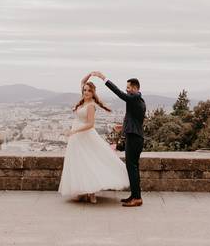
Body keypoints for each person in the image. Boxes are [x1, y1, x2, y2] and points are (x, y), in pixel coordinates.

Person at [58, 75, 129, 203]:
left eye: (89, 90)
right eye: (85, 90)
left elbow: (90, 124)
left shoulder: (91, 105)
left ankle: (92, 192)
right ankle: (83, 190)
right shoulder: (83, 101)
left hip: (85, 135)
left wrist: (74, 131)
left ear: (93, 93)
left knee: (90, 161)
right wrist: (90, 74)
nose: (86, 92)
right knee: (79, 163)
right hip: (77, 137)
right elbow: (82, 81)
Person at [91, 71, 146, 207]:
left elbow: (118, 93)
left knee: (132, 168)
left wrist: (104, 78)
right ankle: (134, 195)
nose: (126, 90)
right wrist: (122, 127)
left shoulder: (134, 98)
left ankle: (137, 198)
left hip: (134, 138)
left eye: (128, 87)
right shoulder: (138, 100)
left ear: (134, 88)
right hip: (135, 136)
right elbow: (136, 120)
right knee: (133, 168)